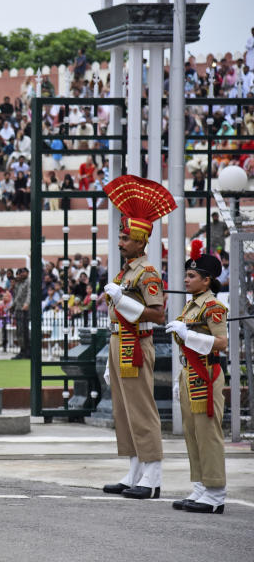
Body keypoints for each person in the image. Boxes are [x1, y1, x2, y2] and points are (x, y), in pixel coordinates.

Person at [101, 175, 176, 500]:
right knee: (123, 409)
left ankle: (153, 474)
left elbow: (158, 315)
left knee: (142, 409)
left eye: (125, 239)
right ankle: (134, 469)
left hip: (137, 343)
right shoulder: (127, 271)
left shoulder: (147, 274)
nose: (120, 243)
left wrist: (122, 300)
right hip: (119, 341)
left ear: (140, 241)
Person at [165, 242, 229, 514]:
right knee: (192, 433)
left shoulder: (212, 306)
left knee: (207, 433)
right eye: (187, 275)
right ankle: (202, 487)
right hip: (190, 372)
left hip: (206, 371)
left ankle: (215, 494)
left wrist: (188, 334)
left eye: (192, 276)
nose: (186, 279)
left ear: (207, 280)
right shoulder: (192, 306)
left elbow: (222, 342)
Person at [11, 267, 30, 358]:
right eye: (18, 273)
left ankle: (26, 351)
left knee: (23, 331)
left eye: (22, 272)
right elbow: (17, 297)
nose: (20, 275)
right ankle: (23, 350)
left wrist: (27, 303)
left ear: (27, 273)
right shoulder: (18, 284)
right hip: (18, 309)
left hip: (24, 309)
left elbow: (29, 294)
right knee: (19, 331)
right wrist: (12, 306)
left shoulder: (28, 282)